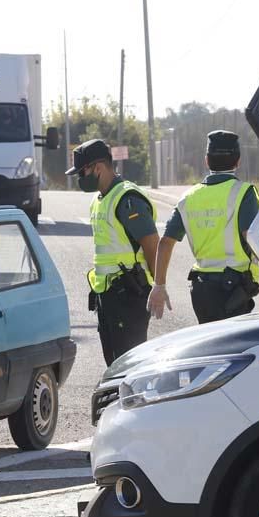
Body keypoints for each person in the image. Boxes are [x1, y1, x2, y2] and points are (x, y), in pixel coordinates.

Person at [147, 130, 259, 324]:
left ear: (206, 160)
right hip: (233, 290)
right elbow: (252, 237)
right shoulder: (244, 193)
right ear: (238, 161)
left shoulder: (188, 197)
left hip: (201, 291)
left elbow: (165, 242)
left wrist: (159, 285)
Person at [67, 139, 159, 366]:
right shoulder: (99, 200)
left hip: (128, 295)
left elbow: (152, 244)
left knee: (131, 366)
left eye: (82, 172)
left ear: (98, 167)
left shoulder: (127, 199)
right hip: (108, 295)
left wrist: (159, 285)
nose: (80, 178)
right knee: (115, 365)